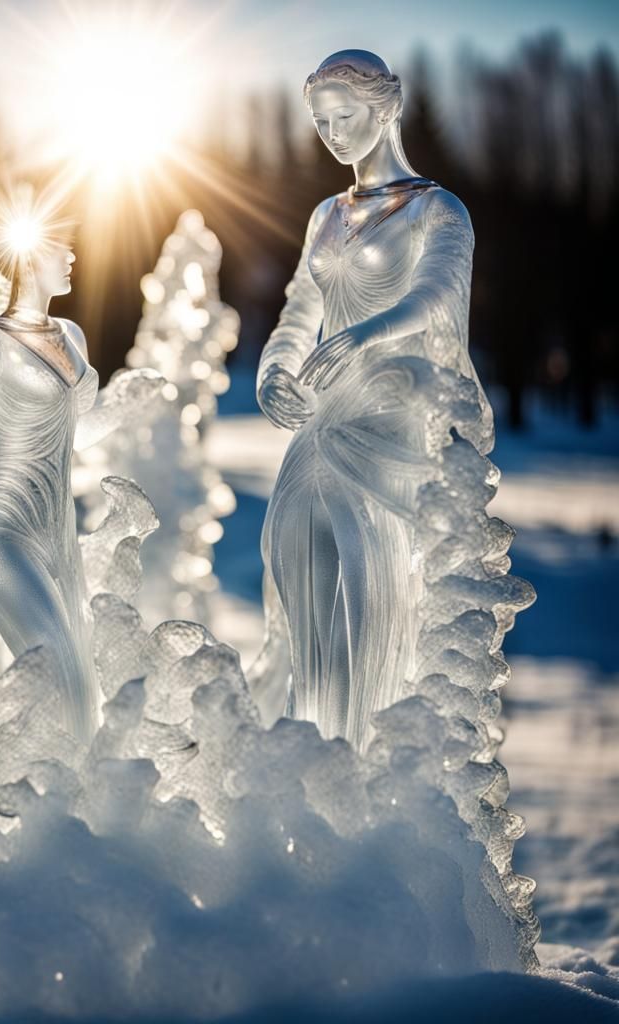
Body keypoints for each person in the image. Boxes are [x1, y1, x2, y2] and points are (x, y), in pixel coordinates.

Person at [253, 50, 494, 747]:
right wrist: (274, 370)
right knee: (300, 593)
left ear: (385, 107)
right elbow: (299, 308)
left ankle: (367, 758)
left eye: (345, 116)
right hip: (321, 425)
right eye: (320, 121)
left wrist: (367, 335)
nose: (332, 134)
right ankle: (313, 756)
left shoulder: (435, 209)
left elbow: (437, 293)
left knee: (373, 605)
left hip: (390, 420)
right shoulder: (326, 215)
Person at [0, 187, 162, 742]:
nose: (70, 257)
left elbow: (69, 437)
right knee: (58, 672)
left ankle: (39, 801)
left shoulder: (72, 337)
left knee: (79, 686)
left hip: (53, 532)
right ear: (27, 256)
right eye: (60, 247)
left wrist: (122, 408)